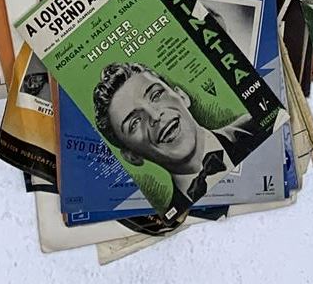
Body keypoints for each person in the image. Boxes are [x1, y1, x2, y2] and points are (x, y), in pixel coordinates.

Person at [92, 62, 255, 209]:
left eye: (156, 96)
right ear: (132, 156)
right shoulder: (172, 221)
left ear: (182, 96)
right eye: (135, 122)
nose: (155, 117)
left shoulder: (261, 124)